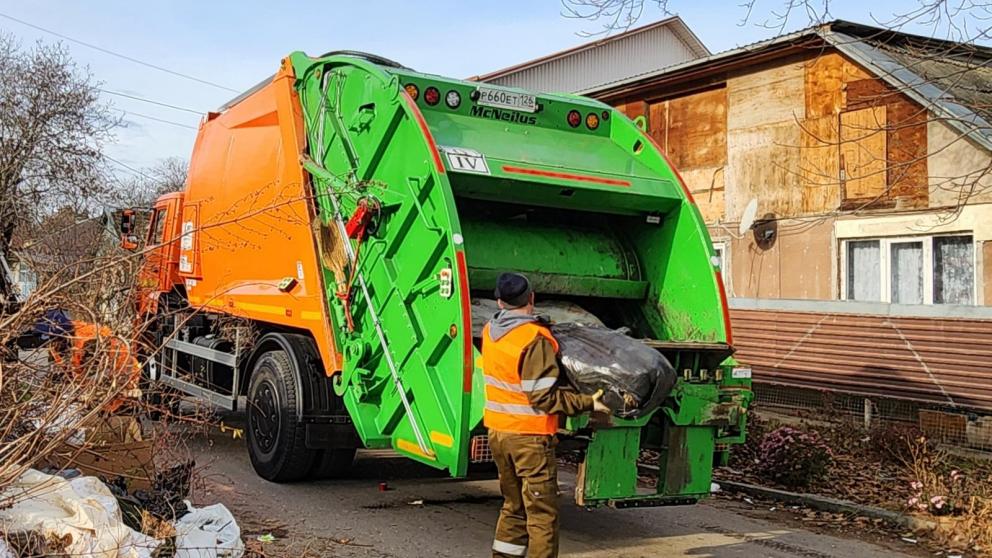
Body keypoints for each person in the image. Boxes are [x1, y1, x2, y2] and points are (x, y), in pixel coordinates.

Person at [482, 272, 609, 558]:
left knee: (513, 506)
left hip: (499, 433)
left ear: (500, 303)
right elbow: (543, 397)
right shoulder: (533, 338)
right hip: (528, 437)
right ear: (532, 298)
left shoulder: (491, 330)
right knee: (541, 514)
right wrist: (588, 402)